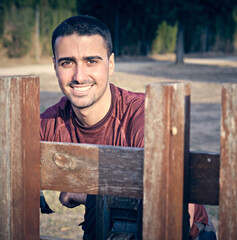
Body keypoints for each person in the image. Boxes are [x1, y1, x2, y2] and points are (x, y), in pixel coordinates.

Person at [40, 15, 215, 240]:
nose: (79, 76)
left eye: (91, 61)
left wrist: (86, 193)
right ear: (54, 65)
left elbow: (166, 200)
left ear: (110, 64)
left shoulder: (144, 114)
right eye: (67, 62)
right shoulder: (51, 122)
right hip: (110, 230)